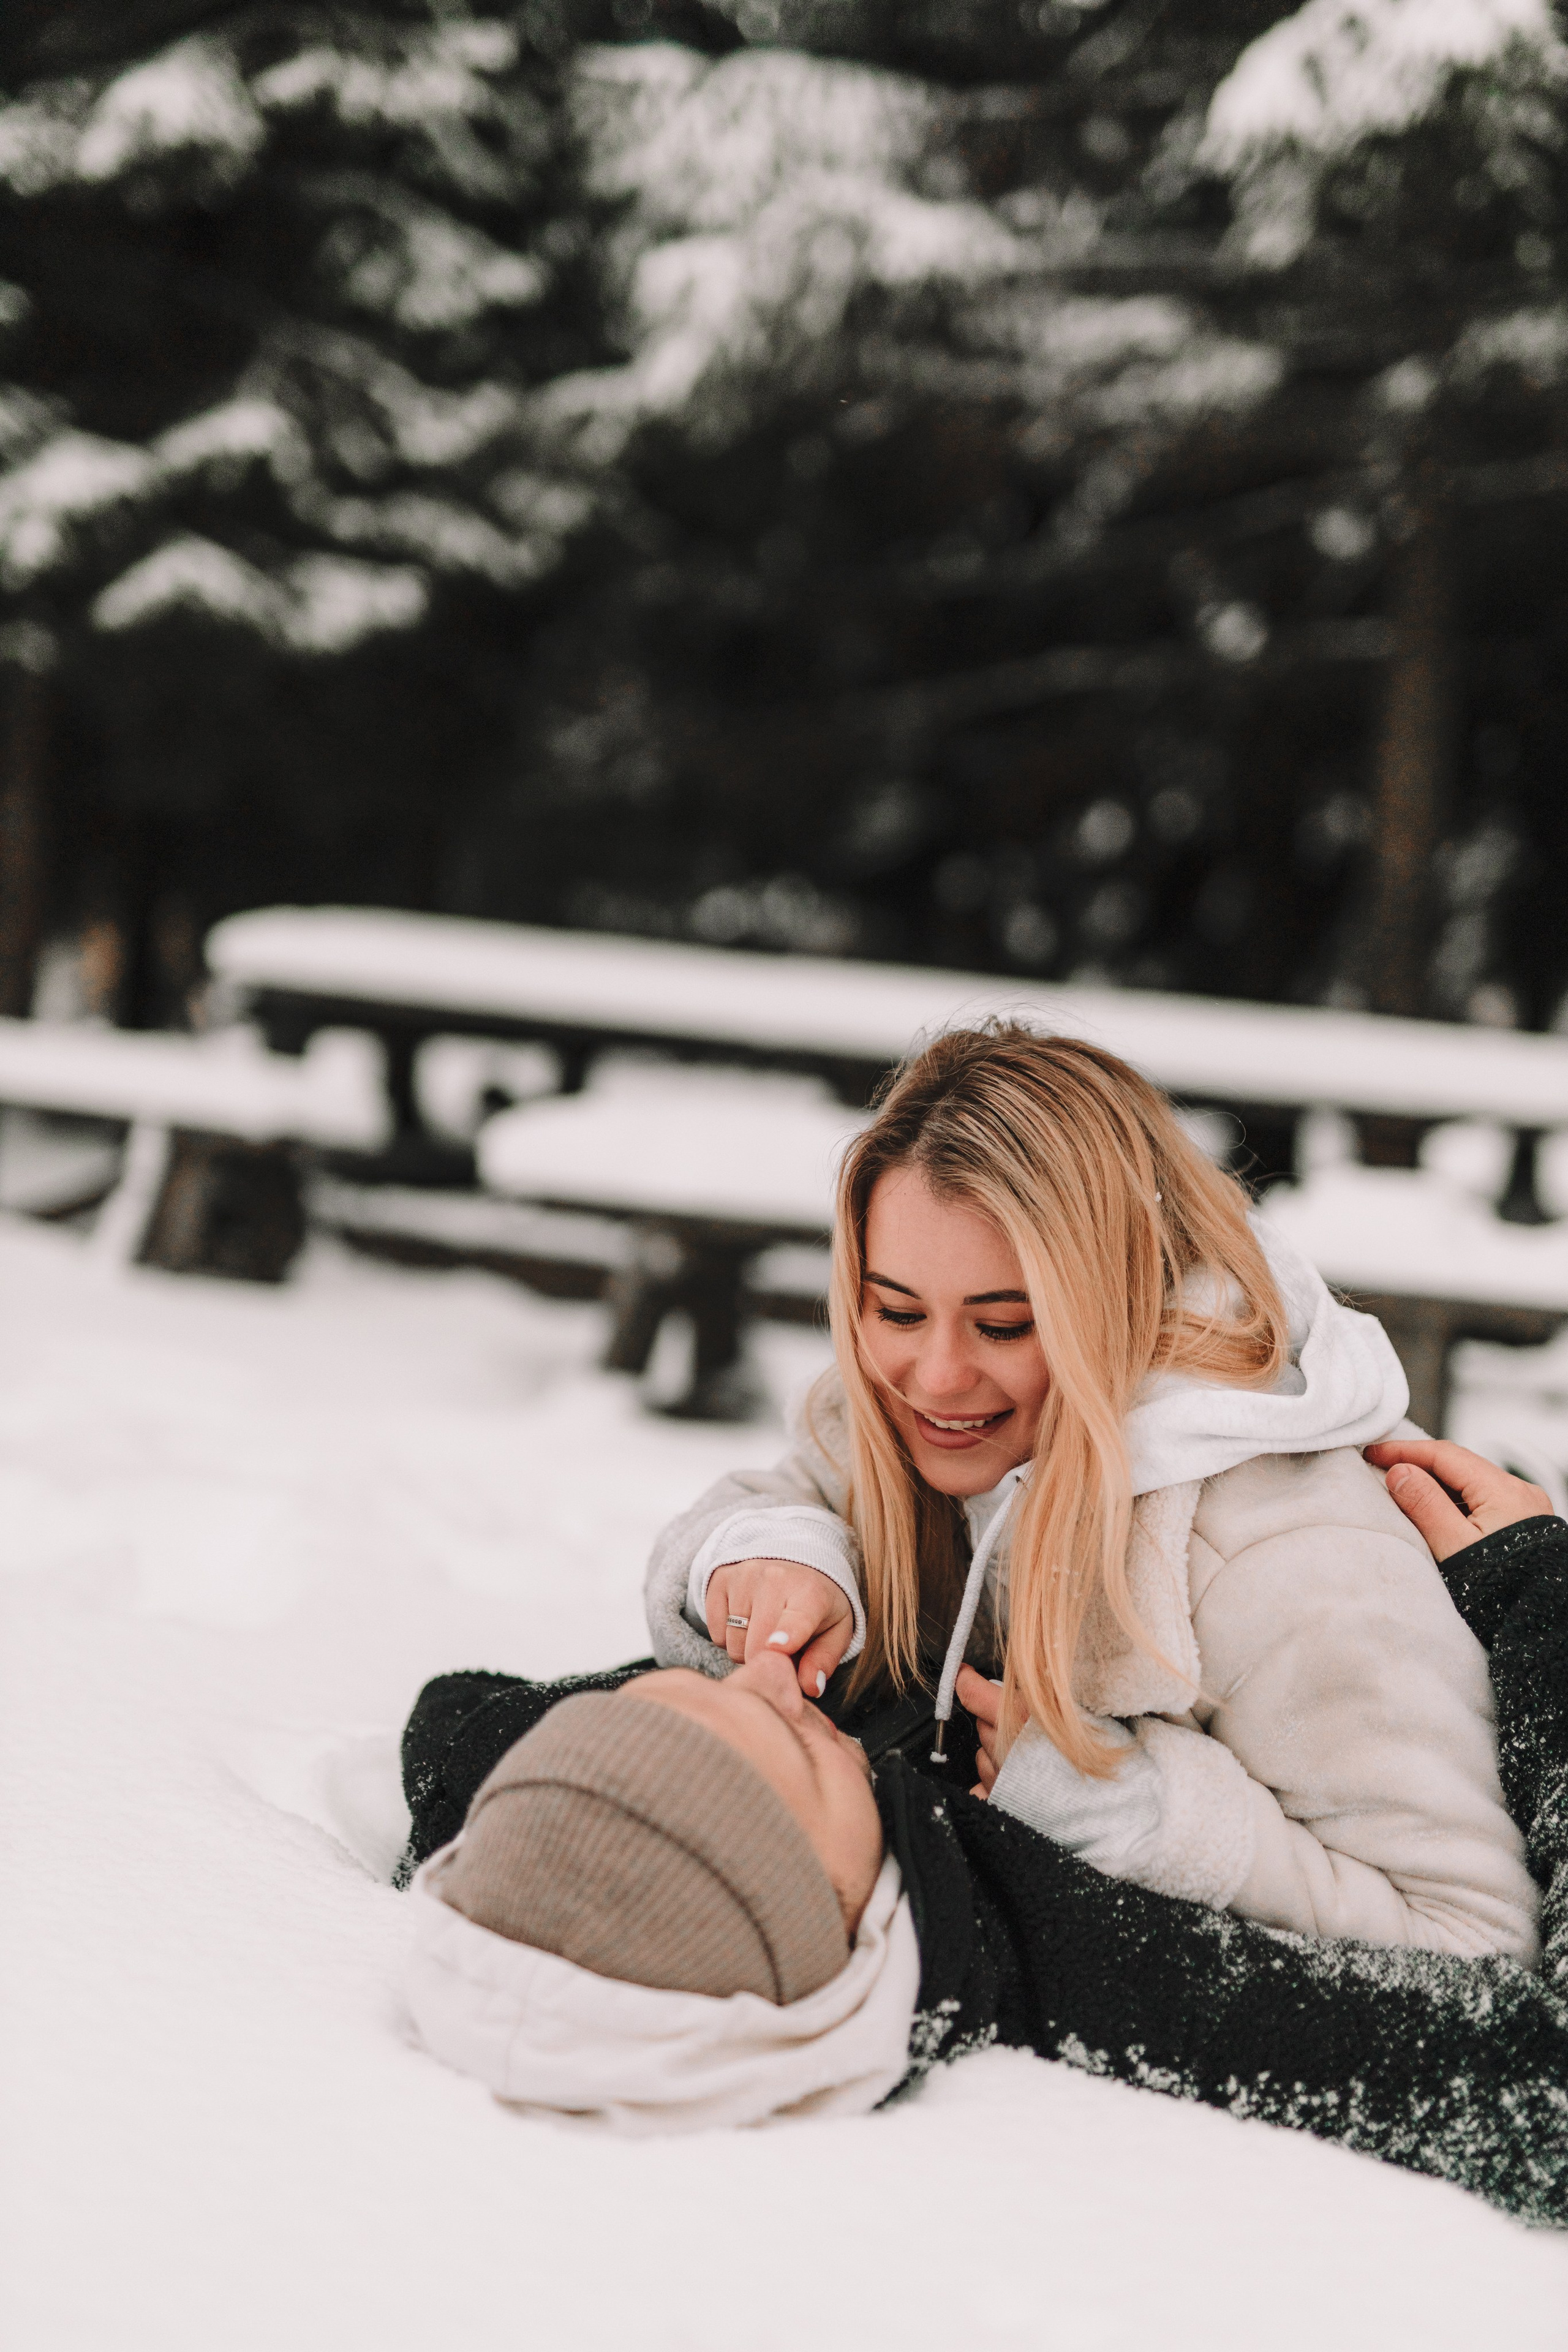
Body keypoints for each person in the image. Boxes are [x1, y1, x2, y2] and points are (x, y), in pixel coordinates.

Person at [400, 1438, 1568, 2223]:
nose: (772, 1685)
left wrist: (770, 1554)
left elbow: (457, 1730)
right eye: (802, 1746)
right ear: (846, 1905)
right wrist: (1539, 1602)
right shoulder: (1088, 1969)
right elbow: (1542, 2094)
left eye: (686, 1689)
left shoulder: (710, 1851)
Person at [643, 1025, 1537, 1958]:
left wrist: (1151, 1815)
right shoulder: (913, 1411)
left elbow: (1481, 1943)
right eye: (895, 1309)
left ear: (1123, 1302)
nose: (936, 1377)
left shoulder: (1289, 1560)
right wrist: (767, 1553)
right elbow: (790, 1490)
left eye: (1005, 1325)